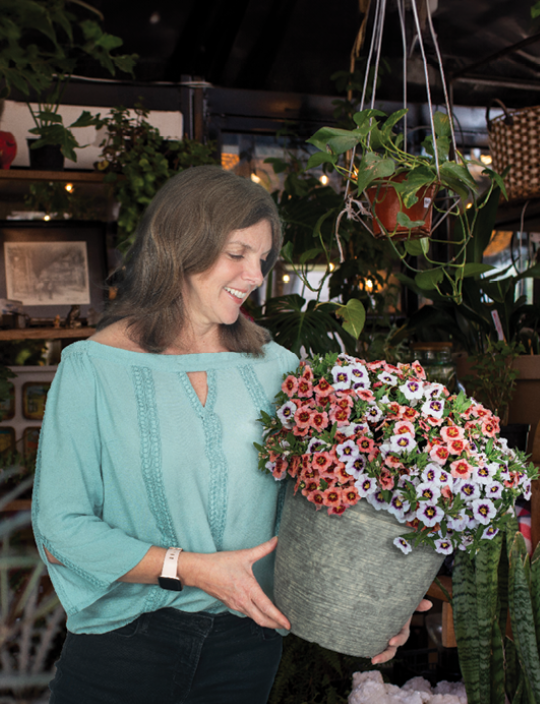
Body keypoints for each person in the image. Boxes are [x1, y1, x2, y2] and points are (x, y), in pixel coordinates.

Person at [32, 165, 429, 704]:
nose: (254, 275)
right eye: (237, 253)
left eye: (262, 259)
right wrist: (191, 569)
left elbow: (319, 503)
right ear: (181, 246)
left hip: (246, 644)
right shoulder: (91, 368)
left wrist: (383, 593)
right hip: (124, 645)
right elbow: (60, 530)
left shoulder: (278, 368)